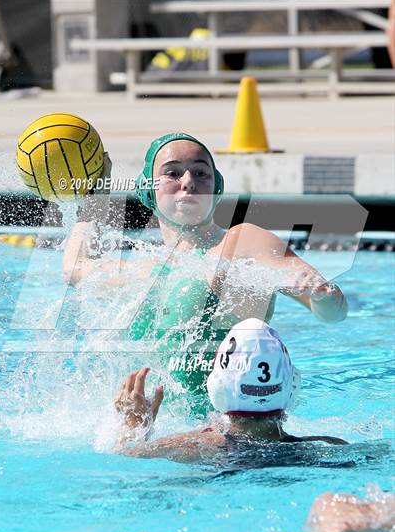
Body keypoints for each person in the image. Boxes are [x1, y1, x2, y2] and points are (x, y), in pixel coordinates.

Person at [63, 134, 347, 405]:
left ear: (217, 187)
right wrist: (94, 197)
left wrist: (324, 295)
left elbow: (334, 314)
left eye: (201, 173)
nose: (188, 182)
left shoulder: (240, 242)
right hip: (157, 439)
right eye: (173, 173)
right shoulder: (146, 269)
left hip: (231, 442)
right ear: (148, 188)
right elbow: (77, 271)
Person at [112, 319, 348, 462]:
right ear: (292, 387)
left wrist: (135, 427)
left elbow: (122, 459)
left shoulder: (191, 447)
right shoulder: (329, 448)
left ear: (217, 387)